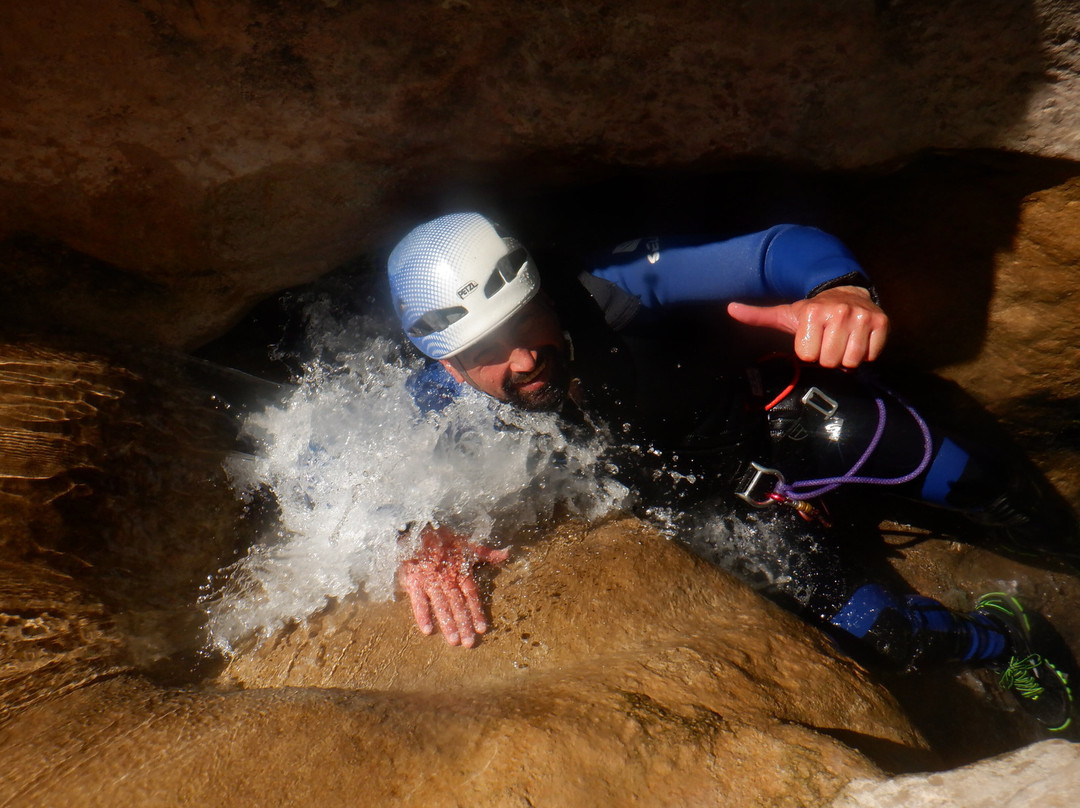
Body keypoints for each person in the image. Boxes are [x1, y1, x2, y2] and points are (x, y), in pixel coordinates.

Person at [385, 210, 1077, 732]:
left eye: (523, 324)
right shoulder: (442, 401)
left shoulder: (606, 290)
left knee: (981, 484)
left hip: (785, 420)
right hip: (716, 508)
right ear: (447, 365)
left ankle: (1059, 551)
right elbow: (334, 461)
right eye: (486, 352)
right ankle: (1007, 637)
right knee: (895, 637)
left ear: (541, 291)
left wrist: (842, 291)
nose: (523, 359)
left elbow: (772, 252)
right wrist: (411, 534)